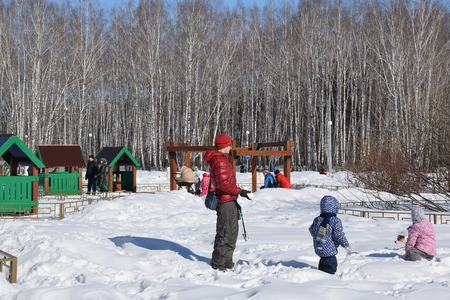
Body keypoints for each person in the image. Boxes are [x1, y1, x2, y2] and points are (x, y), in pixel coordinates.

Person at [204, 134, 251, 271]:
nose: (231, 147)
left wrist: (236, 192)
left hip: (229, 200)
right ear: (224, 145)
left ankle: (227, 261)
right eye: (229, 144)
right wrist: (239, 190)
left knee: (232, 232)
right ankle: (219, 263)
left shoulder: (221, 160)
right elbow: (224, 185)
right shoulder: (219, 161)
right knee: (225, 232)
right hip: (225, 201)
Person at [309, 195, 351, 274]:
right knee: (330, 269)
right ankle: (329, 281)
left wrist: (318, 238)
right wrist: (345, 244)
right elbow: (338, 234)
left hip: (319, 248)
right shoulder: (335, 220)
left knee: (322, 267)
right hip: (330, 251)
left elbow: (312, 230)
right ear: (335, 207)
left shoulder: (318, 219)